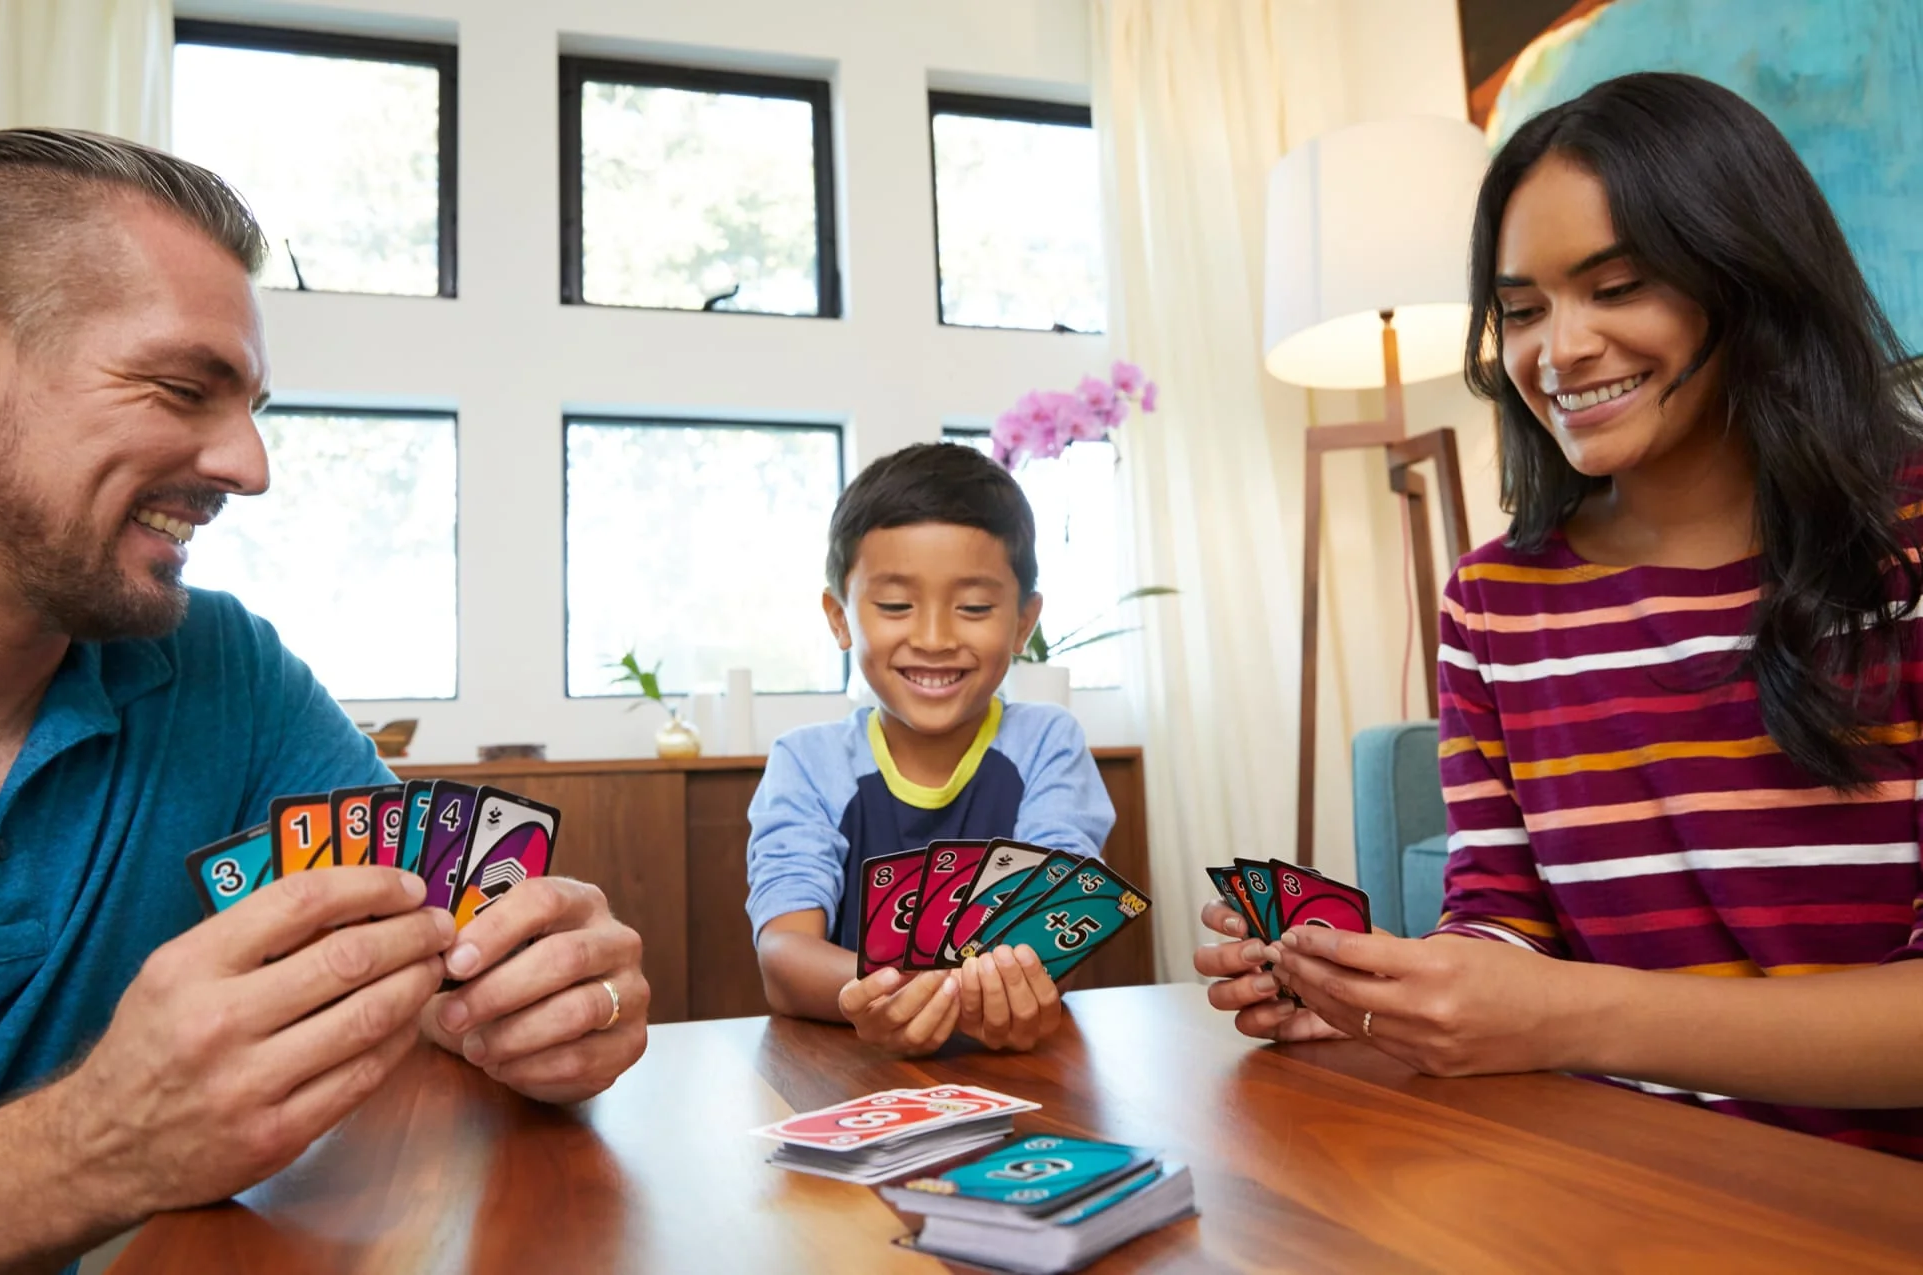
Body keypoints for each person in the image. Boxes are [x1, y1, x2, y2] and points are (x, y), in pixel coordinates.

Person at [0, 128, 650, 1270]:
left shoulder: (224, 668)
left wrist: (532, 998)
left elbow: (419, 951)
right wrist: (93, 1150)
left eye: (252, 404)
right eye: (180, 387)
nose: (251, 466)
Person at [1195, 72, 1923, 1157]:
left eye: (1616, 285)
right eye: (1522, 310)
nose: (1557, 350)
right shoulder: (1493, 604)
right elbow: (1502, 921)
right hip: (1607, 1180)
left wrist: (1562, 1015)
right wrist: (1391, 996)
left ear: (1746, 277)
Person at [747, 442, 1114, 1056]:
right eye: (895, 606)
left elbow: (1059, 931)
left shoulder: (1050, 743)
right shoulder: (807, 763)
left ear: (1024, 623)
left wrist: (941, 992)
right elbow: (783, 955)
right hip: (853, 1079)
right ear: (840, 618)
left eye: (974, 607)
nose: (936, 638)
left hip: (1019, 1075)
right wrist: (896, 992)